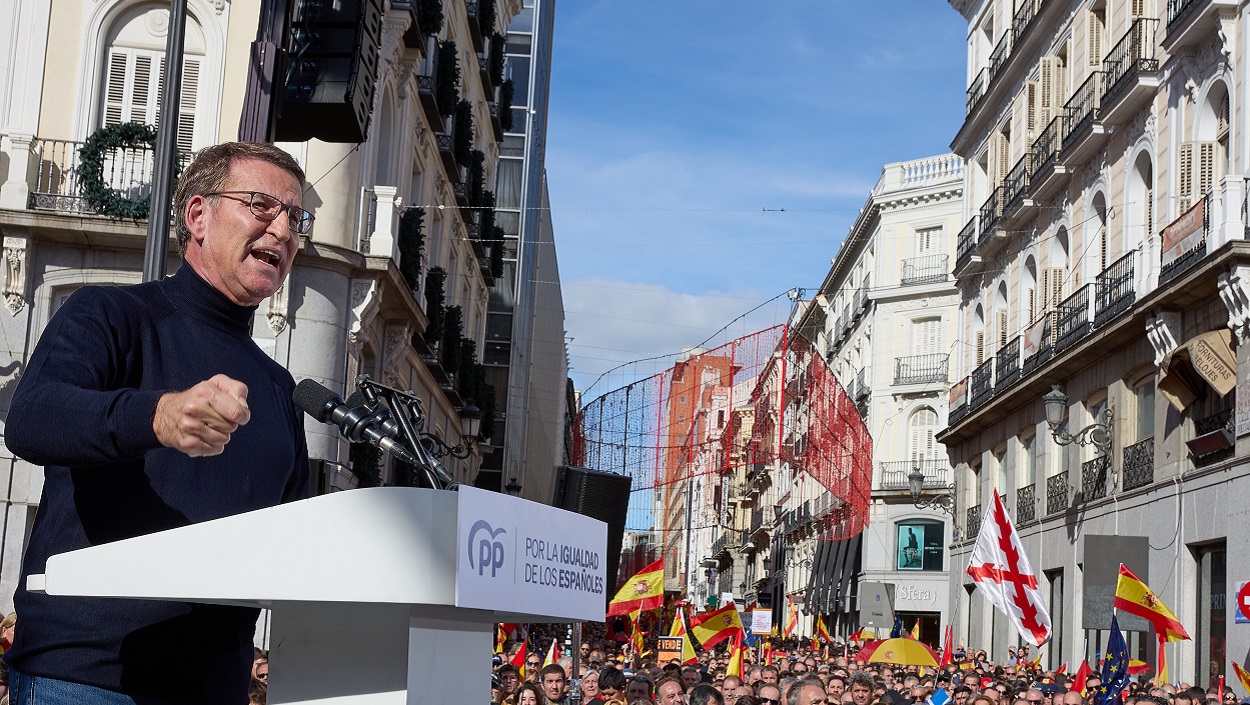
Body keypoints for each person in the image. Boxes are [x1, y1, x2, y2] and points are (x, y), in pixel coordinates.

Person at [3, 141, 312, 704]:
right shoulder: (109, 315)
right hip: (88, 677)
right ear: (198, 215)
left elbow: (291, 542)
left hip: (214, 688)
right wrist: (157, 415)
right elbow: (31, 419)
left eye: (296, 216)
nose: (284, 229)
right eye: (263, 206)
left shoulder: (279, 390)